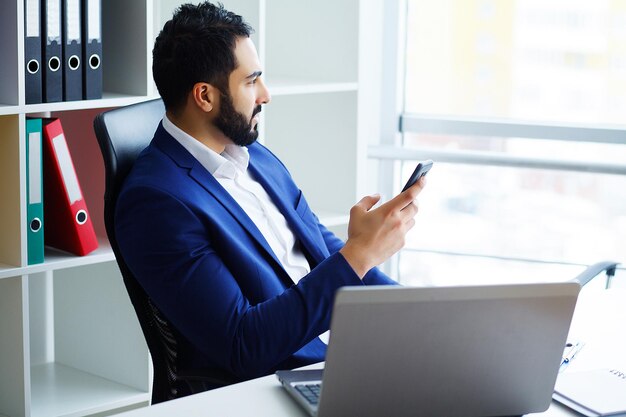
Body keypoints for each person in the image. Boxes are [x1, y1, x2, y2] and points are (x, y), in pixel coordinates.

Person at [115, 2, 425, 386]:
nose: (266, 95)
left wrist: (422, 312)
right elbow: (244, 345)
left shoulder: (253, 155)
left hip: (340, 355)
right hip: (275, 382)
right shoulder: (156, 204)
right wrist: (360, 253)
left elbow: (320, 249)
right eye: (251, 81)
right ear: (205, 97)